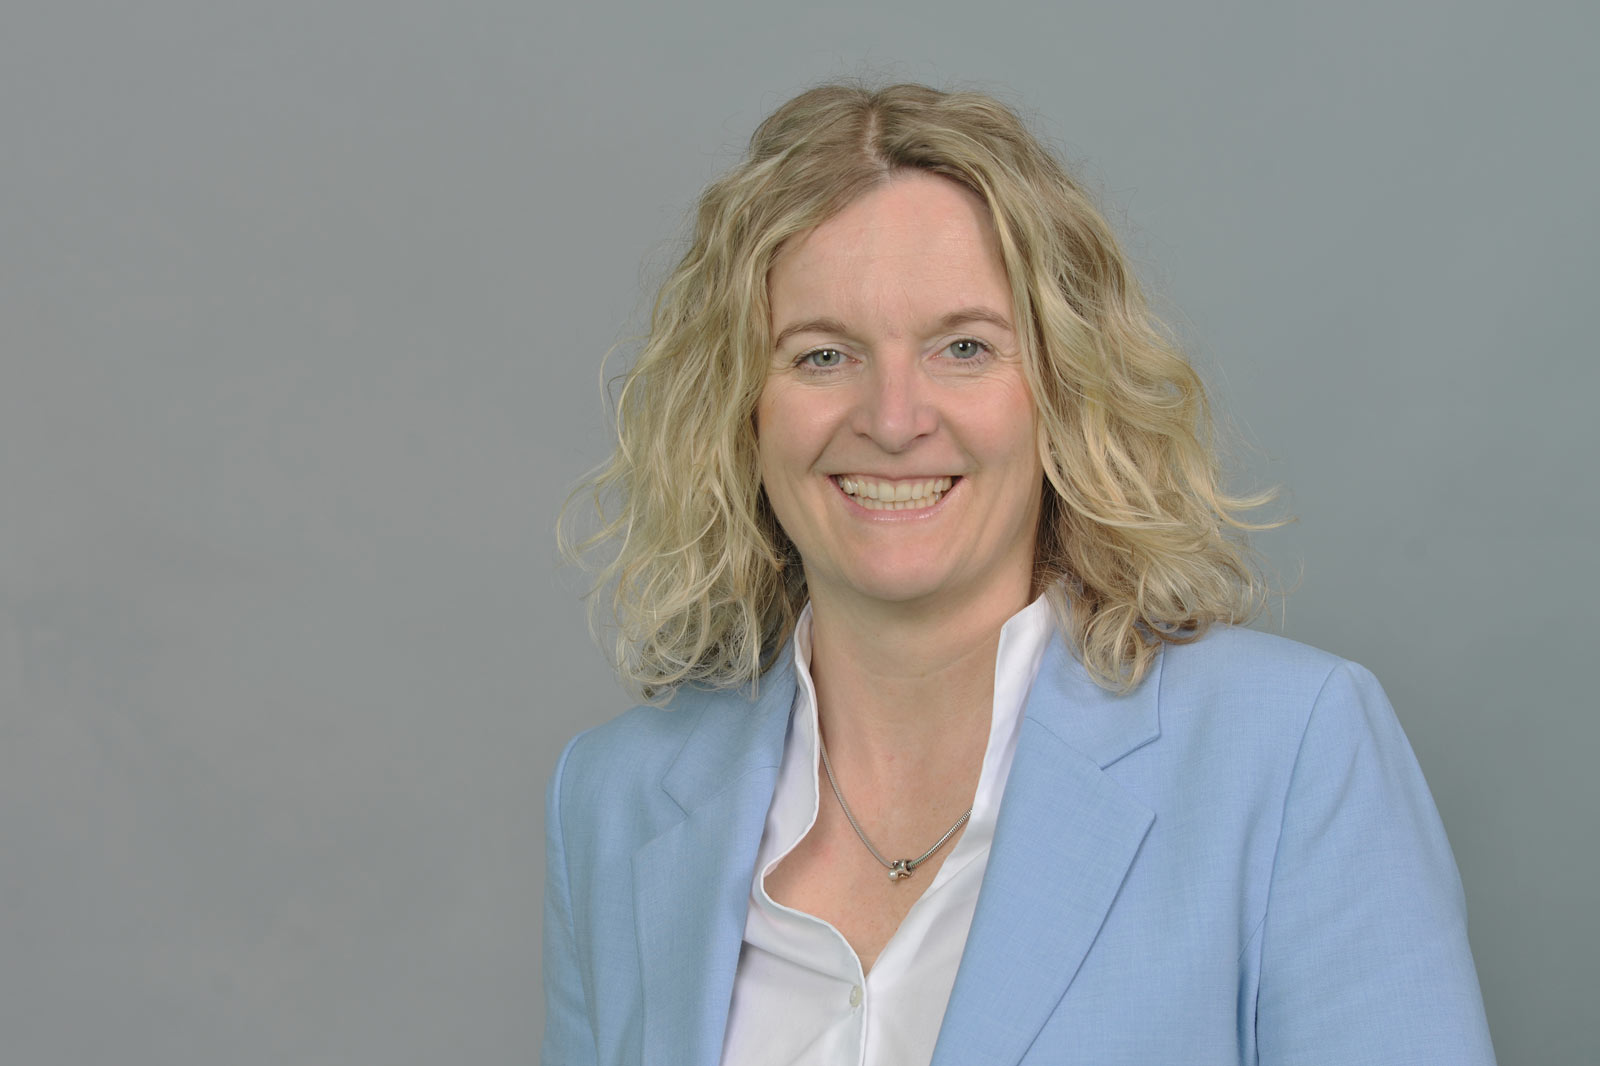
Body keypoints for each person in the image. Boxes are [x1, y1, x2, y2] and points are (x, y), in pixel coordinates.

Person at [544, 82, 1496, 1066]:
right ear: (741, 410)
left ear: (1061, 387)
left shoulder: (1289, 753)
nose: (894, 417)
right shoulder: (615, 797)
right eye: (822, 355)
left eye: (964, 347)